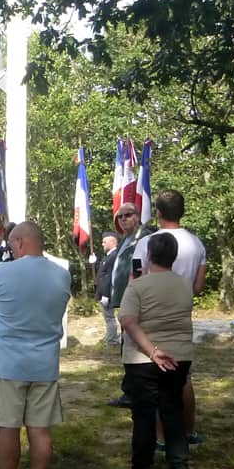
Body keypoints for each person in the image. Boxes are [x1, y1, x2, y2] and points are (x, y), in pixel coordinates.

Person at [0, 221, 71, 469]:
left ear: (19, 242)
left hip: (8, 363)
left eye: (10, 245)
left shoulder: (2, 271)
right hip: (45, 362)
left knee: (7, 427)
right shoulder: (62, 274)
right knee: (40, 430)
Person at [131, 188, 208, 445]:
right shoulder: (197, 243)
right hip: (181, 312)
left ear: (158, 213)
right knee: (183, 377)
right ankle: (187, 432)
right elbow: (198, 287)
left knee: (153, 377)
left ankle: (160, 437)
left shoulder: (146, 242)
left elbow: (136, 280)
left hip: (150, 314)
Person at [118, 232, 196, 469]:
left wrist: (152, 350)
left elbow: (128, 321)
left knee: (143, 414)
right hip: (180, 356)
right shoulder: (185, 284)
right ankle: (179, 465)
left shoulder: (138, 286)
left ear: (149, 255)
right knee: (172, 409)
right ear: (174, 257)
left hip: (144, 358)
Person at [104, 203, 153, 407]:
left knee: (134, 345)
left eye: (127, 215)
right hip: (124, 298)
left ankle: (135, 391)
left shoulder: (146, 237)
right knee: (127, 345)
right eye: (120, 217)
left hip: (138, 300)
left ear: (138, 216)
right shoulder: (125, 239)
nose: (123, 219)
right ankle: (130, 390)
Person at [95, 233, 122, 346]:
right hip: (103, 291)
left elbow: (109, 276)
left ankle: (112, 340)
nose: (102, 244)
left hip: (107, 292)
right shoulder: (108, 255)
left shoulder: (114, 255)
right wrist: (95, 263)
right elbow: (102, 273)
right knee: (108, 318)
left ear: (112, 242)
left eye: (104, 242)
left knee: (110, 318)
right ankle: (112, 338)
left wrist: (106, 294)